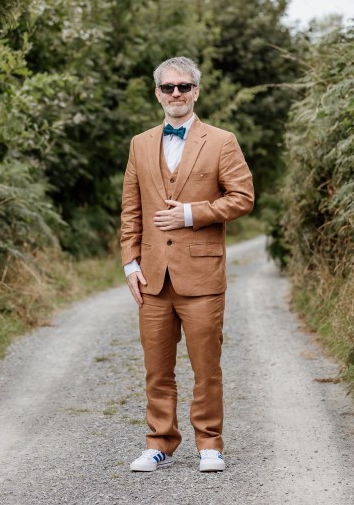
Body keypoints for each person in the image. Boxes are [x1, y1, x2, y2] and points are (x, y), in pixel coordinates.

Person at [121, 56, 254, 473]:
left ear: (196, 91)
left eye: (183, 87)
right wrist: (130, 263)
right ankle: (159, 442)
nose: (175, 94)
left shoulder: (222, 141)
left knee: (205, 367)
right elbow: (131, 210)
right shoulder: (140, 143)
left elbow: (243, 198)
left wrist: (191, 214)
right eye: (167, 87)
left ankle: (210, 443)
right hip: (152, 277)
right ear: (157, 93)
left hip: (202, 275)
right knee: (156, 368)